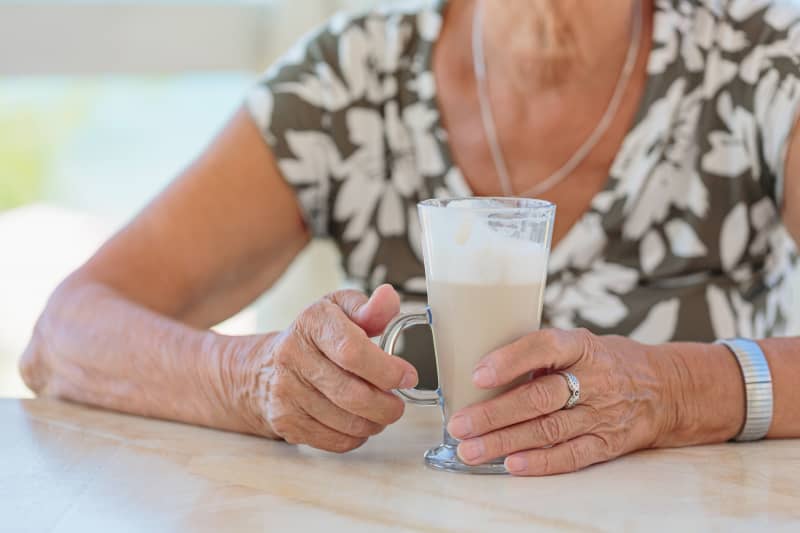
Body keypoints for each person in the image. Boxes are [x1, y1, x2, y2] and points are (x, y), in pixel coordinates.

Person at [20, 0, 800, 476]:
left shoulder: (765, 64)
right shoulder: (353, 79)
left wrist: (676, 392)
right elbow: (63, 335)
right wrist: (253, 377)